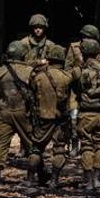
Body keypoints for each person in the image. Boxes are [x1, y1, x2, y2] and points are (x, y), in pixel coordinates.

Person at [27, 43, 74, 189]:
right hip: (60, 118)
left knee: (36, 149)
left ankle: (29, 180)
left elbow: (32, 93)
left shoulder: (39, 77)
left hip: (43, 117)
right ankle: (54, 180)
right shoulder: (67, 77)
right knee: (60, 149)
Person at [0, 40, 35, 187]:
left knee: (1, 144)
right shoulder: (29, 71)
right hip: (23, 113)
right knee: (32, 145)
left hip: (5, 112)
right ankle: (32, 175)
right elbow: (34, 93)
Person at [73, 38, 100, 191]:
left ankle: (89, 180)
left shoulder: (80, 71)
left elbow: (75, 88)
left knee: (87, 146)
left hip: (87, 113)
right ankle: (97, 179)